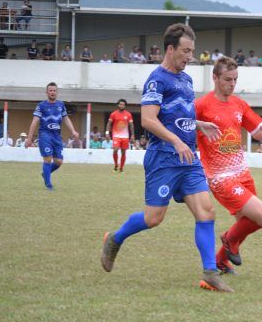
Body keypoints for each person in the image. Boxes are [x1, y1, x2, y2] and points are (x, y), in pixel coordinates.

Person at [100, 23, 233, 292]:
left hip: (188, 157)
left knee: (206, 211)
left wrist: (198, 125)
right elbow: (148, 120)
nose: (190, 57)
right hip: (163, 157)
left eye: (192, 51)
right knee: (154, 218)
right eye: (186, 51)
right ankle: (115, 238)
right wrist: (174, 140)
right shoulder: (156, 80)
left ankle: (210, 272)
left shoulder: (186, 80)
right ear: (170, 49)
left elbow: (180, 117)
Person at [195, 56, 262, 274]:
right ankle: (227, 239)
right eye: (227, 79)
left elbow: (261, 133)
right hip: (220, 177)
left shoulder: (239, 104)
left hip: (242, 173)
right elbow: (180, 124)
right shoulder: (200, 105)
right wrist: (197, 125)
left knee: (245, 223)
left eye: (235, 79)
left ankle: (220, 261)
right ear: (215, 77)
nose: (232, 84)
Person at [25, 82, 79, 190]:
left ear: (57, 92)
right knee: (48, 159)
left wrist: (73, 130)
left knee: (59, 162)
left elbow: (66, 119)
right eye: (50, 90)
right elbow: (35, 121)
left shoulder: (61, 105)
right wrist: (29, 139)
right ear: (47, 92)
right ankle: (48, 184)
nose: (53, 92)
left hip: (57, 136)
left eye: (54, 90)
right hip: (45, 135)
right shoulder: (41, 106)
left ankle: (46, 173)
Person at [106, 99, 135, 173]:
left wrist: (132, 135)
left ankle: (121, 168)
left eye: (123, 105)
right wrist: (107, 133)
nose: (122, 106)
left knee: (123, 152)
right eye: (120, 104)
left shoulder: (128, 114)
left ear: (125, 106)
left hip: (125, 136)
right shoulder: (113, 114)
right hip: (116, 135)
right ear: (118, 105)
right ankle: (116, 166)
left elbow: (131, 125)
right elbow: (109, 123)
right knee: (115, 150)